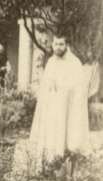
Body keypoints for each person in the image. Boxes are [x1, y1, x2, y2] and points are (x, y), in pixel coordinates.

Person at [29, 34, 90, 165]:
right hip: (53, 107)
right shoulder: (51, 62)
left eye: (61, 44)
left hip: (68, 107)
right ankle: (51, 164)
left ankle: (67, 165)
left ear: (66, 45)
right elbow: (46, 84)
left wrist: (64, 88)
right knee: (52, 135)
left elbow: (79, 87)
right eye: (56, 44)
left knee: (67, 137)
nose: (58, 47)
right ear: (52, 45)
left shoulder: (74, 62)